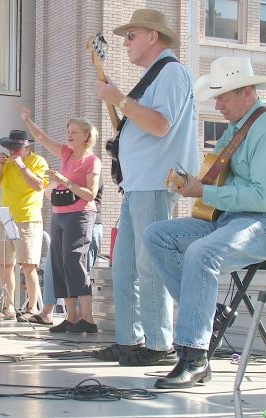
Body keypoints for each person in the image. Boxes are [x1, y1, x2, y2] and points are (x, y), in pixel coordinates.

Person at [144, 56, 266, 389]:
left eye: (223, 96)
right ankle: (208, 313)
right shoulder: (237, 128)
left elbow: (262, 199)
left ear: (247, 92)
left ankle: (195, 358)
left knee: (202, 252)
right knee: (156, 234)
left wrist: (204, 192)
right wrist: (196, 186)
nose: (218, 104)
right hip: (231, 221)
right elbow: (223, 180)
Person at [92, 8, 200, 365]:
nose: (125, 43)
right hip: (139, 184)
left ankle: (159, 345)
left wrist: (119, 100)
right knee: (124, 267)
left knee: (148, 266)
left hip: (155, 183)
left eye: (131, 35)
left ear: (154, 36)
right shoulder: (156, 76)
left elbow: (160, 124)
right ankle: (129, 340)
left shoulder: (171, 72)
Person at [17, 104, 101, 333]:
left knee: (75, 261)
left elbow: (91, 194)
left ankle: (89, 319)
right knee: (60, 263)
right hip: (59, 214)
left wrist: (64, 180)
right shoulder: (65, 153)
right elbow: (41, 137)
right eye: (68, 131)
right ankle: (72, 318)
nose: (69, 135)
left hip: (81, 214)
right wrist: (27, 119)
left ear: (86, 136)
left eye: (74, 132)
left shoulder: (92, 160)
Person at [0, 130, 48, 320]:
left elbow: (39, 185)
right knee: (5, 265)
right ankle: (8, 308)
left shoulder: (38, 161)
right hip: (5, 217)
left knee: (28, 265)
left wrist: (22, 166)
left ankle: (32, 308)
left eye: (17, 148)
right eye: (10, 148)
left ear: (26, 147)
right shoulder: (6, 163)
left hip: (28, 218)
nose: (12, 151)